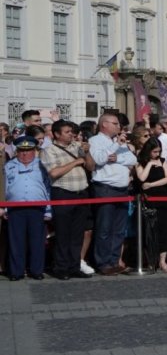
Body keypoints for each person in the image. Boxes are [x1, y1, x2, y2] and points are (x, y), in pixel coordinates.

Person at [88, 111, 138, 275]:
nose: (119, 127)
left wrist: (117, 157)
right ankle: (103, 262)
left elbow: (133, 160)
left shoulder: (118, 142)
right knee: (104, 228)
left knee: (118, 229)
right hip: (105, 188)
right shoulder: (95, 141)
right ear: (105, 124)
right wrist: (116, 146)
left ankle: (114, 259)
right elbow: (100, 159)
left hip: (122, 189)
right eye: (115, 124)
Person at [42, 120, 94, 280]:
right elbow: (54, 173)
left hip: (81, 193)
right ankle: (61, 267)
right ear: (57, 134)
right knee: (63, 233)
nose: (71, 135)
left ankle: (74, 265)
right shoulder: (48, 150)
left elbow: (91, 167)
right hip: (63, 193)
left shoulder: (76, 147)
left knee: (77, 233)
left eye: (72, 132)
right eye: (67, 132)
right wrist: (76, 162)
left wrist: (86, 153)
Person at [4, 136, 49, 280]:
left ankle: (36, 271)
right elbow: (4, 189)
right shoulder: (9, 166)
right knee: (16, 242)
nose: (25, 153)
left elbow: (48, 188)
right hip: (15, 209)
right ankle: (16, 272)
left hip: (37, 208)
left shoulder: (43, 165)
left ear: (34, 151)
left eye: (29, 150)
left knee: (37, 242)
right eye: (22, 150)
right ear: (17, 151)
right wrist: (4, 208)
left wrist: (48, 210)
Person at [134, 137, 167, 271]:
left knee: (163, 230)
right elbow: (141, 178)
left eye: (159, 151)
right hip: (149, 200)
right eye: (155, 152)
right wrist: (150, 164)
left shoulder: (162, 161)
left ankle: (162, 260)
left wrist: (151, 184)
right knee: (149, 230)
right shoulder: (140, 162)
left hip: (162, 197)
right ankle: (151, 259)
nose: (157, 154)